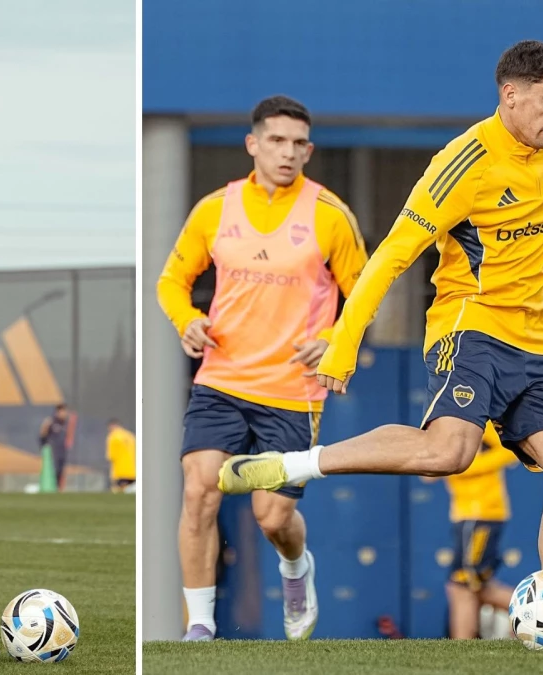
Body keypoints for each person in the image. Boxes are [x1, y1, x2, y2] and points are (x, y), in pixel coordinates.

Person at [217, 41, 543, 648]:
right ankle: (293, 464)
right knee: (449, 452)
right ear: (510, 96)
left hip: (537, 338)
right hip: (470, 327)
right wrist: (343, 341)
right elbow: (389, 257)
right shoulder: (460, 165)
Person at [158, 94, 368, 642]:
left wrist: (332, 339)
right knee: (199, 489)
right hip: (221, 380)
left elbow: (366, 293)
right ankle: (199, 626)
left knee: (270, 517)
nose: (288, 152)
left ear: (309, 150)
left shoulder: (330, 215)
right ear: (253, 144)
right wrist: (187, 320)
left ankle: (297, 569)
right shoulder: (213, 210)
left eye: (299, 143)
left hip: (291, 391)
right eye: (276, 140)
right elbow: (170, 282)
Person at [423, 424, 519, 639]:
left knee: (463, 585)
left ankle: (534, 614)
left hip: (482, 514)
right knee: (467, 585)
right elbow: (427, 472)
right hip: (466, 516)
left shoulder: (482, 422)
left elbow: (511, 450)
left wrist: (464, 465)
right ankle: (531, 613)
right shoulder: (448, 419)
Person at [39, 403, 71, 491]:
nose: (65, 413)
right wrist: (45, 446)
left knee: (61, 470)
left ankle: (59, 489)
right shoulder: (51, 421)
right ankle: (51, 487)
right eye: (63, 411)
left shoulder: (65, 423)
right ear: (58, 412)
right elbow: (43, 434)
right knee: (54, 469)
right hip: (53, 450)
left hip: (62, 449)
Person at [105, 418, 136, 493]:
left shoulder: (113, 437)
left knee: (117, 492)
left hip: (120, 471)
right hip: (133, 470)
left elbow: (111, 456)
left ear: (111, 426)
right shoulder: (130, 435)